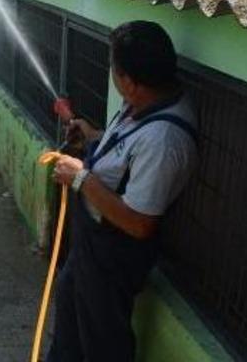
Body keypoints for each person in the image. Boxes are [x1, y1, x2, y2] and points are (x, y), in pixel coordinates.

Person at [46, 21, 199, 361]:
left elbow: (140, 223)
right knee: (70, 321)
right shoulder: (145, 102)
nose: (112, 73)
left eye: (114, 68)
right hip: (91, 249)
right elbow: (127, 155)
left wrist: (81, 179)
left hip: (111, 259)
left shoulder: (165, 140)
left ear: (129, 82)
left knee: (103, 344)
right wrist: (94, 137)